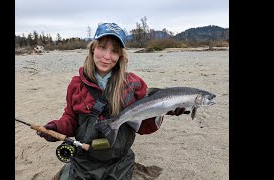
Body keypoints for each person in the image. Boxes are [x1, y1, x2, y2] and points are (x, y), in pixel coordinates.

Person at [37, 22, 190, 180]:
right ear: (92, 49)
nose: (107, 57)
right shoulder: (76, 85)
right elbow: (70, 119)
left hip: (120, 164)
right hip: (84, 162)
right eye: (102, 47)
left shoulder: (134, 85)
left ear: (120, 56)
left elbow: (144, 127)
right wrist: (56, 127)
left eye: (114, 51)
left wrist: (163, 110)